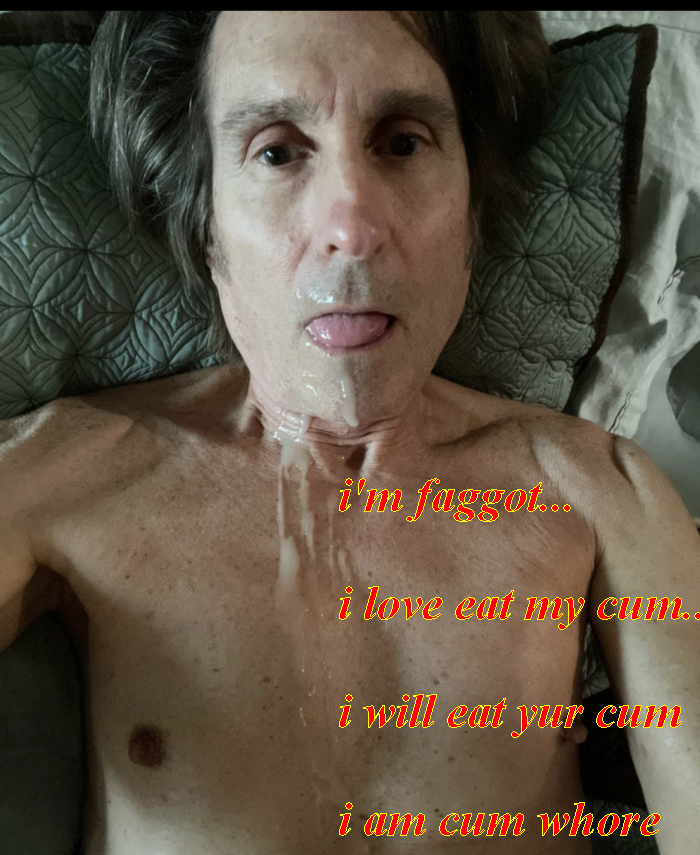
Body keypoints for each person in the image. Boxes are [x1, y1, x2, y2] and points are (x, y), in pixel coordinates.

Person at [1, 11, 698, 854]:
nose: (353, 228)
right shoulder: (66, 475)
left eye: (402, 143)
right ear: (203, 219)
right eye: (277, 151)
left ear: (472, 210)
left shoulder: (601, 496)